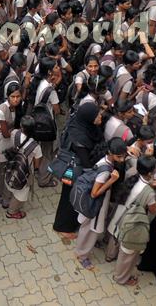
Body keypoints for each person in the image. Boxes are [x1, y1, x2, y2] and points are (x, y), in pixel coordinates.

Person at [52, 102, 106, 238]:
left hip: (76, 169)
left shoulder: (82, 124)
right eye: (97, 115)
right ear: (89, 118)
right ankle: (63, 227)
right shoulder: (80, 138)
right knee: (70, 198)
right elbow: (86, 163)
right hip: (75, 171)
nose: (101, 116)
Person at [75, 137, 126, 271]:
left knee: (87, 227)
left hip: (93, 202)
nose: (121, 160)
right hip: (96, 203)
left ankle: (82, 249)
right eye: (119, 156)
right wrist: (112, 180)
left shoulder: (104, 159)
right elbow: (94, 193)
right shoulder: (105, 171)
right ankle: (82, 255)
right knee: (90, 229)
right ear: (111, 153)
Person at [111, 156, 156, 286]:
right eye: (155, 169)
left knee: (114, 237)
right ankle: (120, 278)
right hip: (132, 221)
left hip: (120, 213)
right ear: (150, 173)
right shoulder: (149, 192)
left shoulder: (131, 174)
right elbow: (153, 209)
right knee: (127, 254)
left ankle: (109, 256)